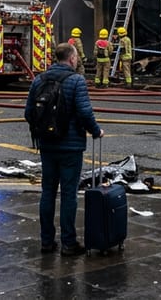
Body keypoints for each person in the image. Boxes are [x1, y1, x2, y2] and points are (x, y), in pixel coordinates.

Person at [24, 43, 103, 256]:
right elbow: (85, 112)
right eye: (76, 57)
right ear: (71, 59)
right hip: (71, 147)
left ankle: (46, 241)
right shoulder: (76, 81)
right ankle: (69, 243)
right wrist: (96, 131)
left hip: (47, 146)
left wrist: (43, 130)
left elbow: (28, 113)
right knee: (69, 193)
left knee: (48, 192)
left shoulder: (38, 80)